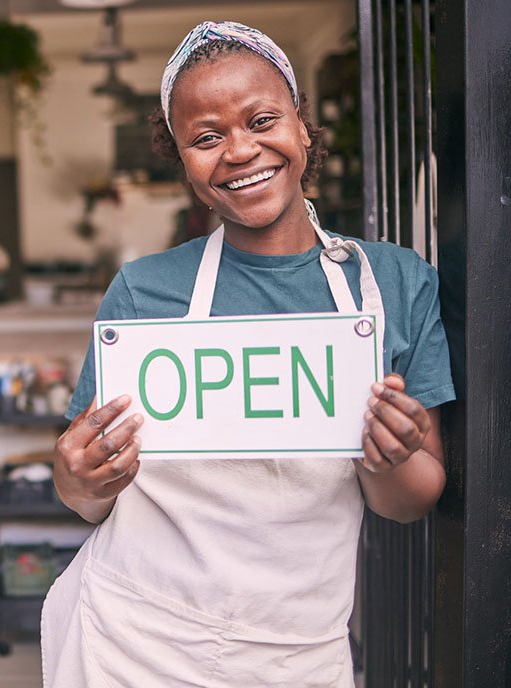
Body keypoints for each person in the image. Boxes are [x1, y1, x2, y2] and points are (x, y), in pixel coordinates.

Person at [41, 21, 454, 687]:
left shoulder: (395, 285)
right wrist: (79, 479)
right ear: (183, 159)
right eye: (206, 138)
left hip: (296, 652)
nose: (239, 150)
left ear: (301, 125)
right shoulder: (144, 292)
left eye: (261, 119)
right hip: (130, 640)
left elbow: (408, 502)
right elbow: (85, 498)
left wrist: (389, 458)